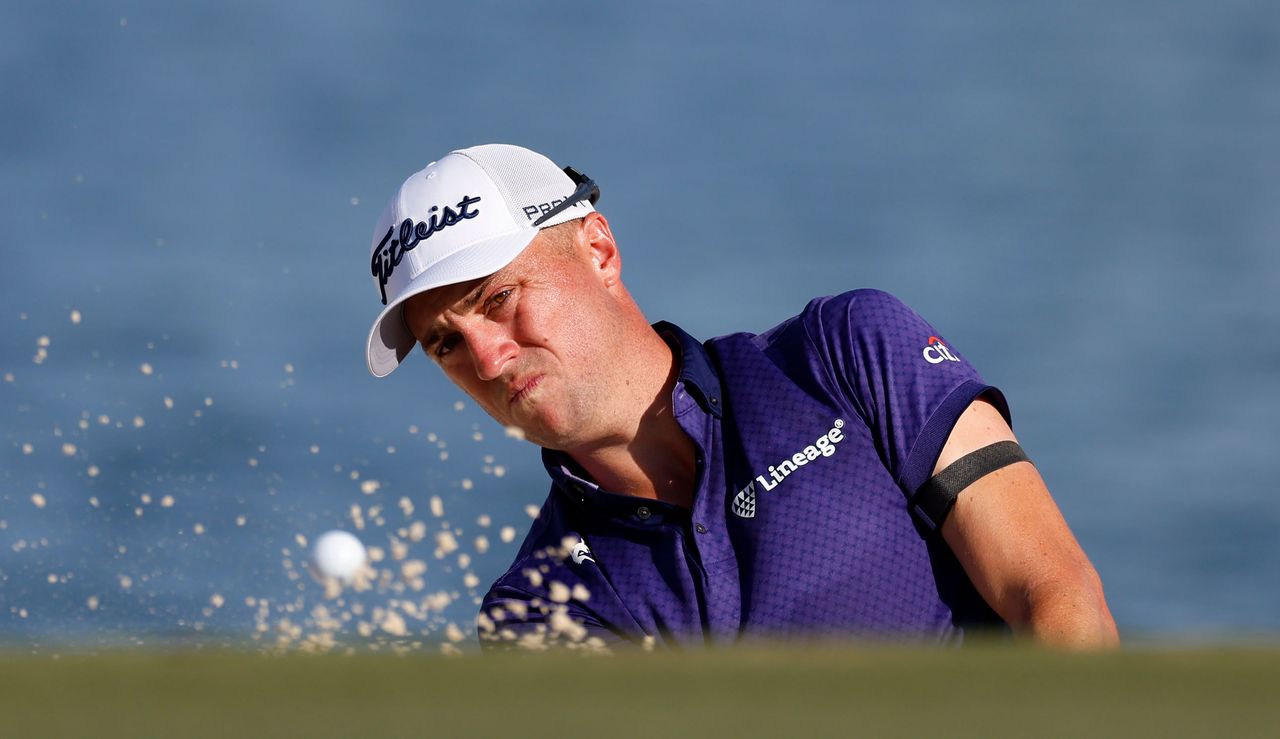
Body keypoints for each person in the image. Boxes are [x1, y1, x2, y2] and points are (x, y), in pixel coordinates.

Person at [364, 144, 1119, 651]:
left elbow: (1053, 591)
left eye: (498, 298)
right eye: (445, 343)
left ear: (598, 248)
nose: (488, 358)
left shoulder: (848, 351)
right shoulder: (543, 605)